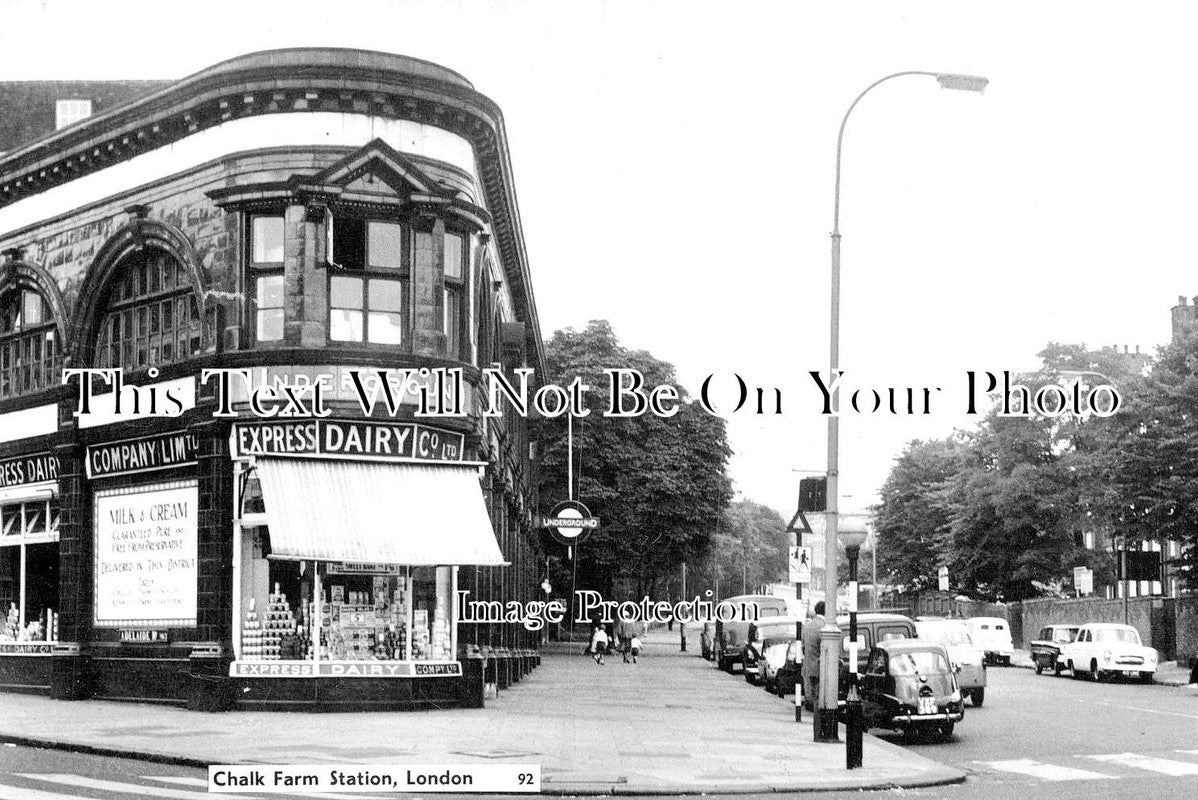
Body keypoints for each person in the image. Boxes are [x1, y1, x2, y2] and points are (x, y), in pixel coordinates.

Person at [800, 601, 826, 712]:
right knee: (820, 701)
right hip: (820, 668)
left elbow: (803, 648)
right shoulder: (825, 627)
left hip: (807, 666)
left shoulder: (807, 626)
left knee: (810, 698)